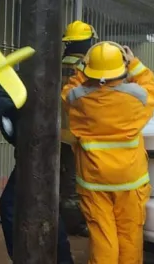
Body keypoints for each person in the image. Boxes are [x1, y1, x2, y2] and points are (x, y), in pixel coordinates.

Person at [0, 36, 75, 264]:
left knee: (15, 207)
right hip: (30, 156)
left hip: (45, 155)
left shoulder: (10, 82)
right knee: (39, 209)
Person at [62, 42, 154, 264]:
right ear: (121, 67)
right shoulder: (138, 97)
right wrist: (134, 63)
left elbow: (68, 90)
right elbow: (152, 86)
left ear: (91, 69)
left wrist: (83, 68)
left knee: (102, 236)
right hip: (130, 181)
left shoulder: (78, 98)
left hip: (94, 182)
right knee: (129, 236)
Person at [60, 20, 98, 237]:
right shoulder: (86, 67)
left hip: (55, 133)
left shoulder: (58, 63)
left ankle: (55, 218)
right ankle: (74, 224)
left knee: (57, 178)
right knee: (75, 181)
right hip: (78, 133)